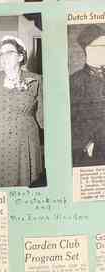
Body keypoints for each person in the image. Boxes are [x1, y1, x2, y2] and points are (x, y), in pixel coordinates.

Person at [0, 35, 44, 188]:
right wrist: (1, 124)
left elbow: (42, 116)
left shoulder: (37, 80)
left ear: (21, 56)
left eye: (9, 53)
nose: (4, 57)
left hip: (25, 141)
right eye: (1, 54)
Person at [70, 24, 105, 167]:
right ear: (88, 49)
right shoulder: (75, 81)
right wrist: (86, 143)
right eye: (102, 46)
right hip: (92, 151)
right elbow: (71, 119)